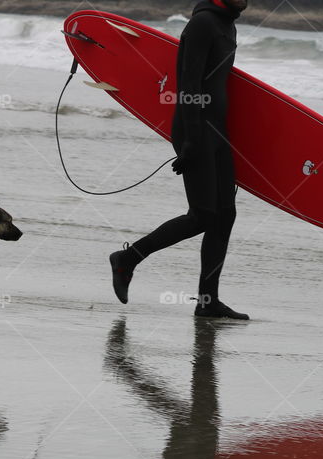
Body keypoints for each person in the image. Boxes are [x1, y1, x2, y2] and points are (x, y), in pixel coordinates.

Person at [109, 0, 250, 320]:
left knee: (225, 214)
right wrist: (190, 140)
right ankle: (127, 259)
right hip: (195, 129)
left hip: (219, 131)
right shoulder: (203, 24)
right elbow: (188, 84)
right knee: (201, 216)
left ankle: (207, 301)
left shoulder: (228, 24)